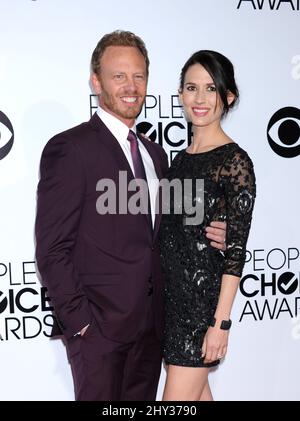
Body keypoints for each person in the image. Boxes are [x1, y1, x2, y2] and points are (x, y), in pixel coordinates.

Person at [35, 31, 226, 401]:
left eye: (139, 76)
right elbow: (52, 249)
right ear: (96, 81)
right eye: (118, 76)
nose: (131, 86)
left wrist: (211, 231)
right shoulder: (70, 148)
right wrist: (83, 325)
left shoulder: (155, 155)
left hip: (152, 328)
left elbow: (164, 232)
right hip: (100, 332)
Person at [159, 50, 256, 401]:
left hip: (202, 309)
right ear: (181, 94)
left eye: (210, 89)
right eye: (191, 87)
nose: (199, 99)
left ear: (228, 97)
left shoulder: (234, 161)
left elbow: (235, 253)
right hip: (172, 303)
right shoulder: (179, 160)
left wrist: (220, 324)